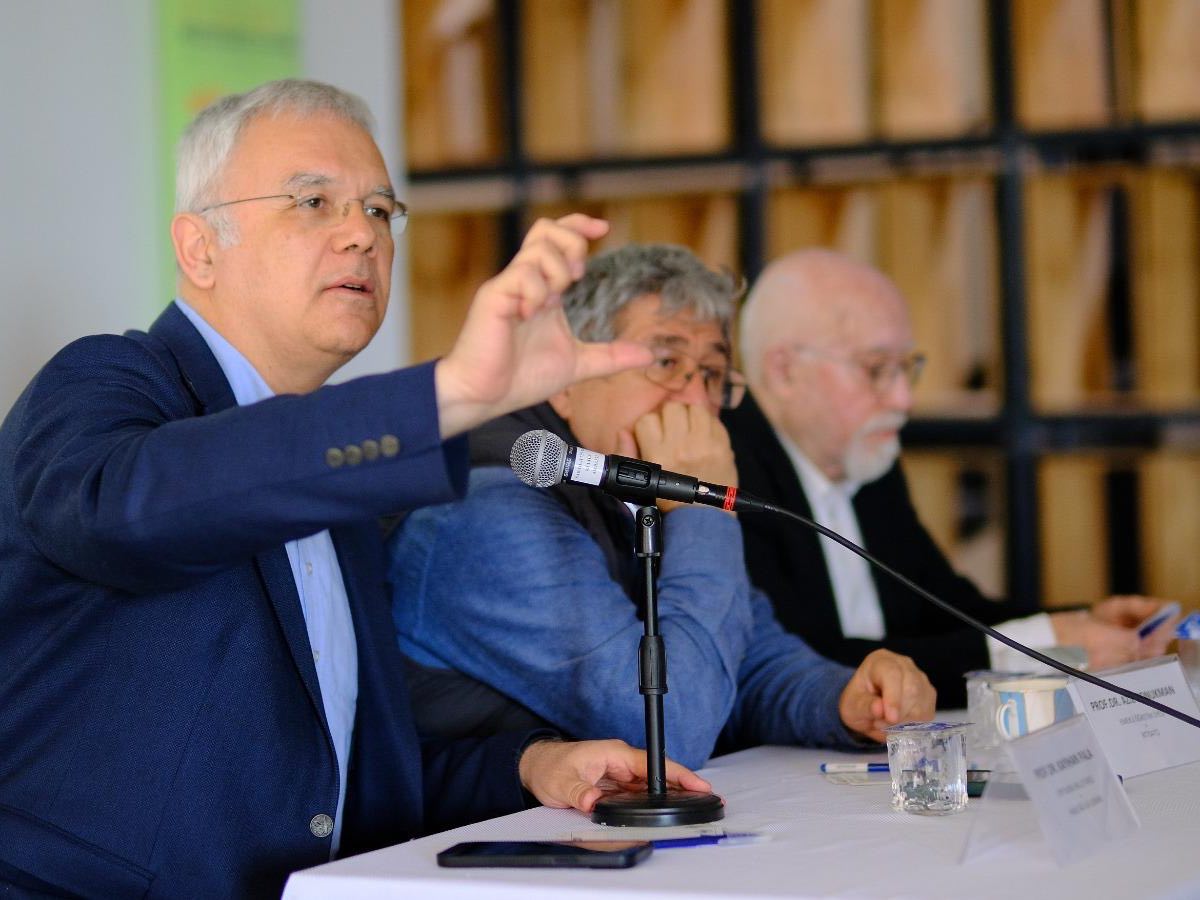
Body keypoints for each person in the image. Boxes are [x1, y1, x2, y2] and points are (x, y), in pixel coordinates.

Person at [0, 80, 710, 899]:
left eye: (379, 209)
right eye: (313, 202)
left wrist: (531, 765)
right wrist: (452, 392)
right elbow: (130, 514)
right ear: (199, 250)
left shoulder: (343, 467)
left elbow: (337, 774)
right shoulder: (105, 382)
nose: (361, 235)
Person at [389, 243, 935, 770]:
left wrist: (843, 699)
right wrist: (705, 513)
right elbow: (668, 727)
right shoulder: (489, 509)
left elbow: (744, 662)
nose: (695, 400)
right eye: (666, 361)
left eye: (712, 375)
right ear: (567, 377)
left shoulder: (631, 483)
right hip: (482, 829)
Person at [727, 248, 1178, 707]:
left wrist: (1082, 622)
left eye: (907, 369)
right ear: (784, 371)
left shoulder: (864, 457)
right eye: (877, 369)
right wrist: (1044, 644)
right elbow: (801, 662)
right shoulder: (728, 472)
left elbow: (943, 608)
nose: (902, 399)